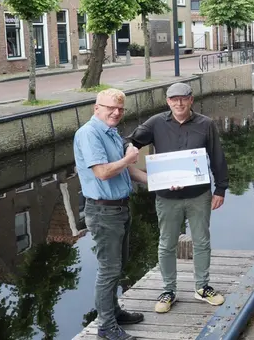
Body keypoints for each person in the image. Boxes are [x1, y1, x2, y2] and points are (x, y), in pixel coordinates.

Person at [126, 82, 229, 312]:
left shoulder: (206, 124)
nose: (179, 103)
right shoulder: (155, 123)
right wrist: (128, 157)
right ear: (168, 101)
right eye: (174, 99)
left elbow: (217, 157)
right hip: (166, 196)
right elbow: (132, 142)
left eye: (183, 98)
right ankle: (168, 290)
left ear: (191, 100)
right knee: (166, 243)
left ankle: (202, 287)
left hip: (198, 195)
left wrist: (221, 189)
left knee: (202, 241)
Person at [74, 88, 147, 340]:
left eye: (120, 109)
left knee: (119, 265)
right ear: (97, 108)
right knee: (109, 269)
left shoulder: (111, 132)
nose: (116, 113)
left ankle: (113, 311)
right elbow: (103, 172)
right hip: (103, 210)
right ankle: (105, 325)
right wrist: (128, 158)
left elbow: (125, 171)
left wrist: (158, 181)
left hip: (119, 208)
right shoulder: (89, 134)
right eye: (110, 108)